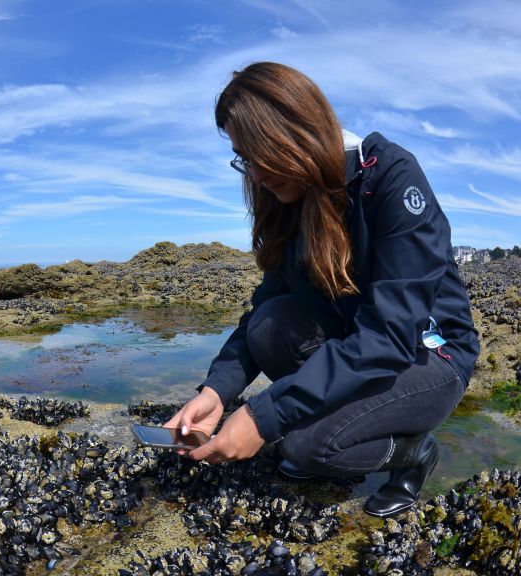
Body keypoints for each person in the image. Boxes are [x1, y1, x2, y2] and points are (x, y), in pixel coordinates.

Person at [165, 62, 479, 518]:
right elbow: (264, 307)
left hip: (429, 352)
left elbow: (389, 336)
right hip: (357, 343)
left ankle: (413, 452)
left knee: (307, 445)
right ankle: (343, 424)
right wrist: (216, 392)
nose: (254, 175)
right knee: (269, 325)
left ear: (296, 132)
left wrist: (265, 416)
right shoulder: (288, 201)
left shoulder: (390, 177)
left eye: (258, 155)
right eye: (243, 158)